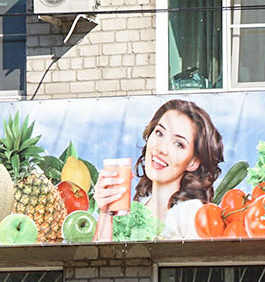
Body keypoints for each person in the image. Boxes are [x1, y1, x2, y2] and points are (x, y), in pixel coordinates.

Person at [93, 98, 224, 242]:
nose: (161, 149)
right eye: (159, 133)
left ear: (193, 162)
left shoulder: (190, 213)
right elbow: (100, 260)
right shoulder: (135, 209)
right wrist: (105, 212)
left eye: (178, 144)